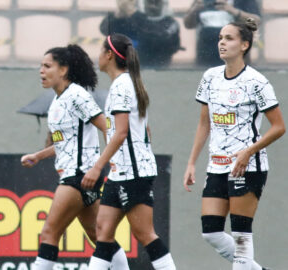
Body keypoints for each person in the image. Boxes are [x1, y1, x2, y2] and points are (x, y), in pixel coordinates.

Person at [183, 18, 284, 270]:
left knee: (240, 236)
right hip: (216, 165)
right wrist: (192, 162)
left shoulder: (257, 82)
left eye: (229, 38)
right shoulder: (209, 77)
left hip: (246, 167)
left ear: (244, 45)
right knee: (211, 232)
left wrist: (248, 152)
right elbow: (204, 124)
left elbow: (279, 127)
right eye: (220, 38)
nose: (222, 43)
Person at [20, 45, 129, 270]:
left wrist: (98, 167)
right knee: (100, 235)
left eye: (47, 66)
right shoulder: (57, 100)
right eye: (40, 66)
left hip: (79, 177)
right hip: (78, 175)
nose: (41, 71)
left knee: (49, 233)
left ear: (63, 70)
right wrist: (39, 156)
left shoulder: (77, 95)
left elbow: (108, 130)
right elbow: (65, 144)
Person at [83, 33, 176, 270]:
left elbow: (121, 132)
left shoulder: (122, 86)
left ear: (109, 55)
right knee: (103, 231)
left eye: (100, 51)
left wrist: (97, 166)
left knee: (145, 234)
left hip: (132, 173)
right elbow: (144, 129)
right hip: (120, 173)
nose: (98, 57)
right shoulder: (127, 83)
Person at [100, 0, 180, 67]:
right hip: (134, 70)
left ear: (164, 4)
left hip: (162, 70)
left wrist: (132, 13)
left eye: (157, 2)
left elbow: (157, 36)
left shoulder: (171, 23)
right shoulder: (135, 21)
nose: (153, 6)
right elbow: (105, 30)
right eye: (149, 2)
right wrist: (117, 16)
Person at [184, 0, 260, 66]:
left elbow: (256, 22)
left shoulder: (243, 1)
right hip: (206, 52)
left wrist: (234, 11)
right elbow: (188, 25)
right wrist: (194, 10)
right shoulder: (203, 1)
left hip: (234, 54)